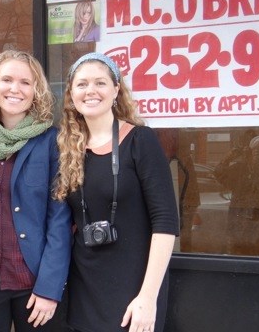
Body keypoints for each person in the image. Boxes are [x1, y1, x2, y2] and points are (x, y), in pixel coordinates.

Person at [54, 52, 179, 332]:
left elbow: (166, 222)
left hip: (133, 288)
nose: (91, 91)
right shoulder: (66, 148)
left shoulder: (140, 140)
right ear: (71, 93)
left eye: (100, 83)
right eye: (82, 84)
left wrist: (148, 296)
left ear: (116, 90)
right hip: (84, 287)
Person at [0, 50, 72, 332]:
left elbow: (59, 220)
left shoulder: (51, 142)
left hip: (35, 282)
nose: (15, 89)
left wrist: (50, 287)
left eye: (25, 82)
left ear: (36, 91)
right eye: (7, 80)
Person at [214, 133, 259, 256]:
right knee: (237, 256)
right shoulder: (240, 169)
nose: (257, 153)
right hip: (239, 223)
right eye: (255, 150)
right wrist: (229, 157)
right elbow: (219, 173)